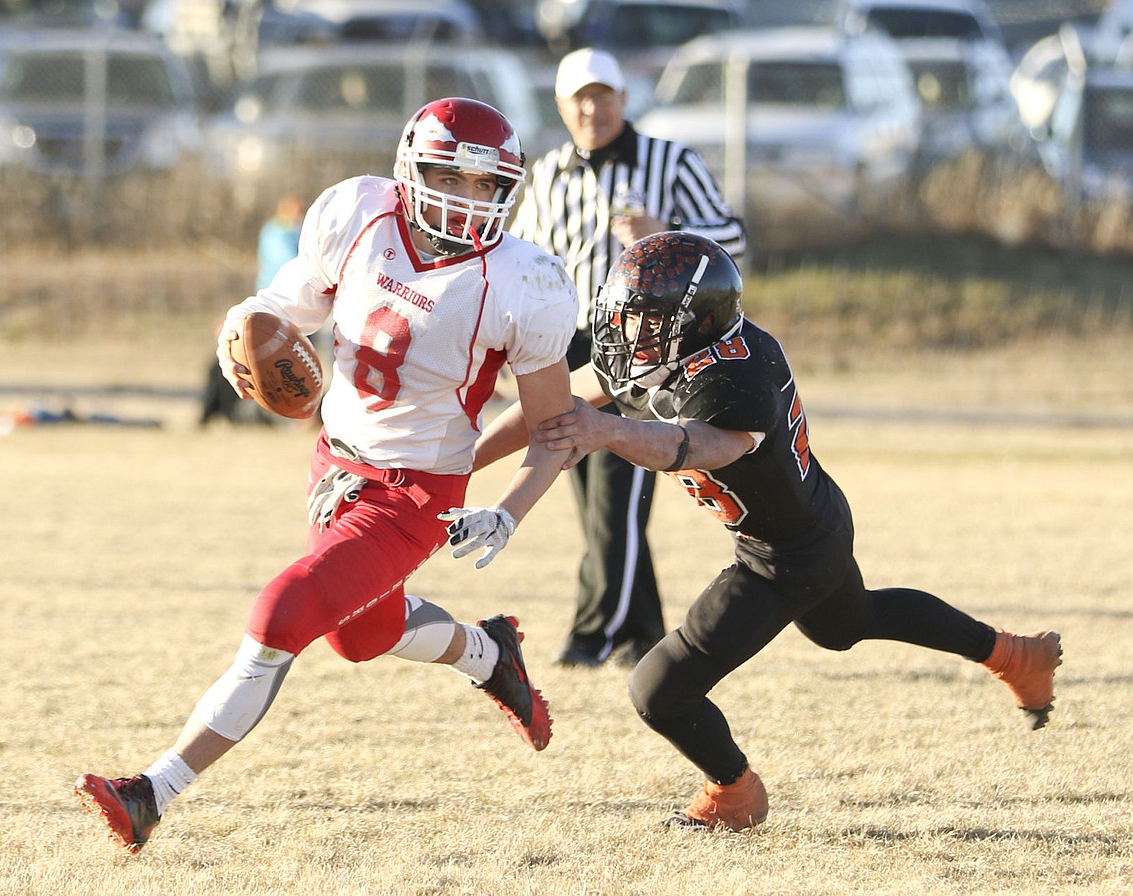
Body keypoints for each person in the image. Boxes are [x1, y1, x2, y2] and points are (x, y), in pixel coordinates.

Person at [74, 97, 580, 853]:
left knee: (286, 611)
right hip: (336, 461)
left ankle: (153, 790)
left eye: (487, 186)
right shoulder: (357, 211)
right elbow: (286, 305)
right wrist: (241, 331)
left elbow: (554, 428)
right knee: (361, 635)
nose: (471, 200)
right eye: (453, 176)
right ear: (412, 169)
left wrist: (508, 507)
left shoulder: (523, 281)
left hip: (416, 492)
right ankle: (489, 652)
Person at [472, 231, 1062, 832]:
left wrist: (609, 432)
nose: (628, 336)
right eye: (623, 318)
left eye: (644, 322)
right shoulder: (677, 349)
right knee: (848, 625)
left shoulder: (739, 372)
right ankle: (1015, 655)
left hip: (785, 556)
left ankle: (734, 794)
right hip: (814, 521)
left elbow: (707, 445)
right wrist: (462, 460)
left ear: (694, 323)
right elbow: (562, 403)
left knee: (658, 689)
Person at [509, 47, 746, 669]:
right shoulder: (549, 172)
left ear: (623, 98)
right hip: (563, 344)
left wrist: (667, 231)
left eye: (603, 95)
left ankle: (591, 636)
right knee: (589, 496)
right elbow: (523, 260)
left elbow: (734, 237)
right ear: (562, 107)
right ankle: (641, 636)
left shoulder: (670, 160)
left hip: (640, 342)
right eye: (579, 99)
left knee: (619, 493)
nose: (592, 109)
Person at [198, 193, 306, 426]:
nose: (300, 217)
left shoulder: (293, 233)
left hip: (294, 304)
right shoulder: (277, 233)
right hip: (277, 307)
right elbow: (291, 266)